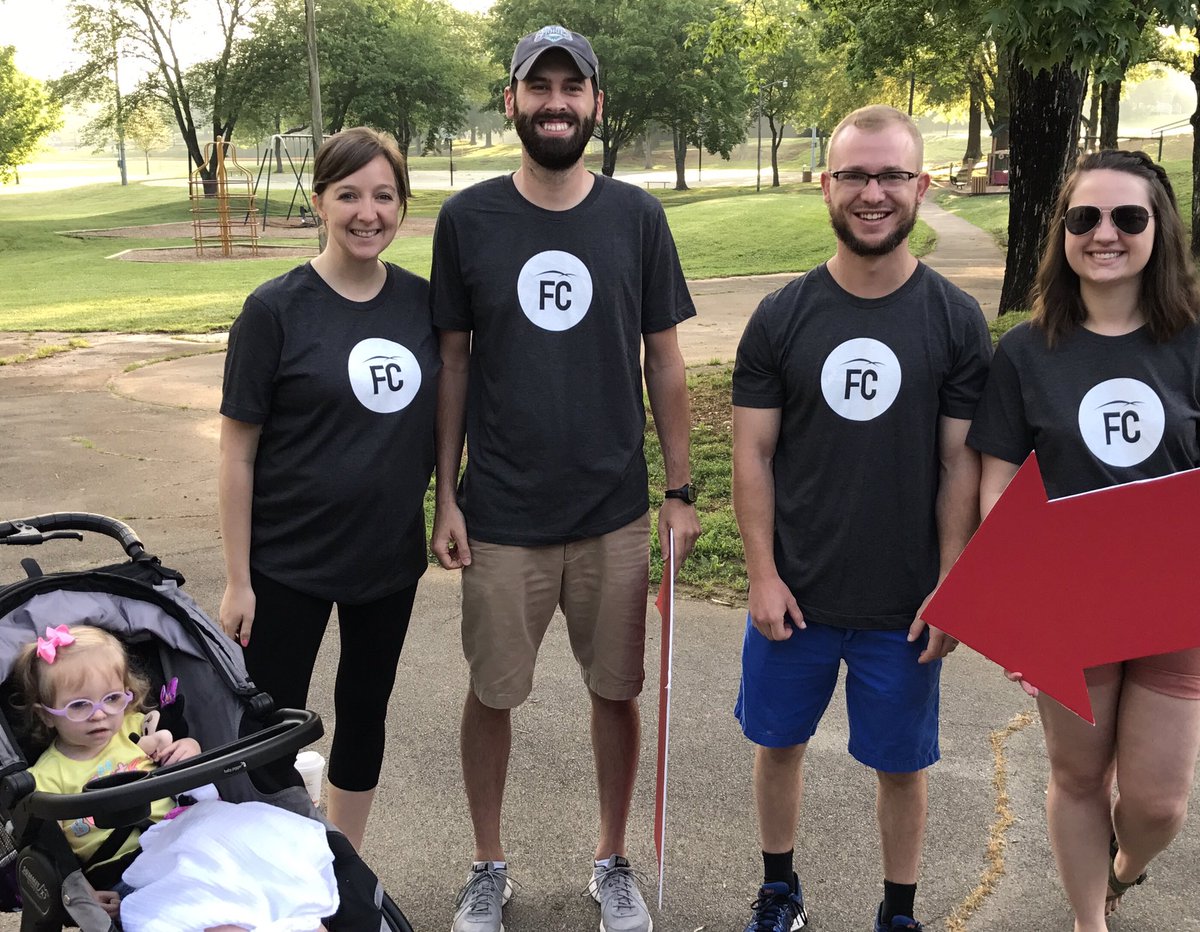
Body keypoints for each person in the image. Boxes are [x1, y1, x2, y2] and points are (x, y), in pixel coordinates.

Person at [429, 24, 700, 932]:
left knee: (616, 692)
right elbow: (454, 363)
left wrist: (679, 492)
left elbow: (665, 360)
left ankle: (610, 860)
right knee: (492, 693)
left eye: (571, 87)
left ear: (596, 103)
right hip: (501, 514)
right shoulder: (468, 219)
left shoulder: (637, 218)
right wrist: (447, 493)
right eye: (537, 87)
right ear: (511, 101)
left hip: (612, 511)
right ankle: (487, 866)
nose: (555, 103)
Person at [731, 104, 991, 932]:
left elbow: (959, 464)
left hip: (904, 603)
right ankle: (779, 890)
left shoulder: (955, 320)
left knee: (901, 766)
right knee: (778, 747)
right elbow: (752, 455)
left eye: (890, 176)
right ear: (826, 186)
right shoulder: (781, 317)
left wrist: (951, 584)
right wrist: (762, 575)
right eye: (854, 175)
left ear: (921, 185)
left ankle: (898, 912)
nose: (872, 193)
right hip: (797, 594)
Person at [967, 149, 1200, 932]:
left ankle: (1122, 870)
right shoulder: (1025, 352)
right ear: (1062, 233)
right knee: (1077, 778)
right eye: (1084, 217)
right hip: (1070, 601)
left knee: (1159, 804)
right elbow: (999, 486)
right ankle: (1087, 920)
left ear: (1159, 229)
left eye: (1128, 217)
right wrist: (1015, 607)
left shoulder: (1194, 342)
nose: (1105, 233)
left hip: (1176, 598)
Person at [218, 126, 438, 850]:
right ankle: (274, 869)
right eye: (348, 195)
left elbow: (447, 416)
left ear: (402, 206)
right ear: (318, 202)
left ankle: (343, 863)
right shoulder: (274, 310)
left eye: (384, 196)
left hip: (387, 559)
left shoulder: (422, 305)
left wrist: (448, 504)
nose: (367, 213)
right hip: (287, 564)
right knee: (268, 726)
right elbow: (238, 451)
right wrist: (238, 579)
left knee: (365, 712)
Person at [14, 624, 338, 930]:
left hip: (191, 835)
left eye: (112, 699)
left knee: (276, 883)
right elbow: (52, 851)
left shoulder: (137, 728)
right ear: (46, 714)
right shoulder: (44, 778)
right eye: (79, 706)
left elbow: (187, 763)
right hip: (129, 870)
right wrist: (83, 893)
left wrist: (188, 748)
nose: (99, 714)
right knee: (216, 915)